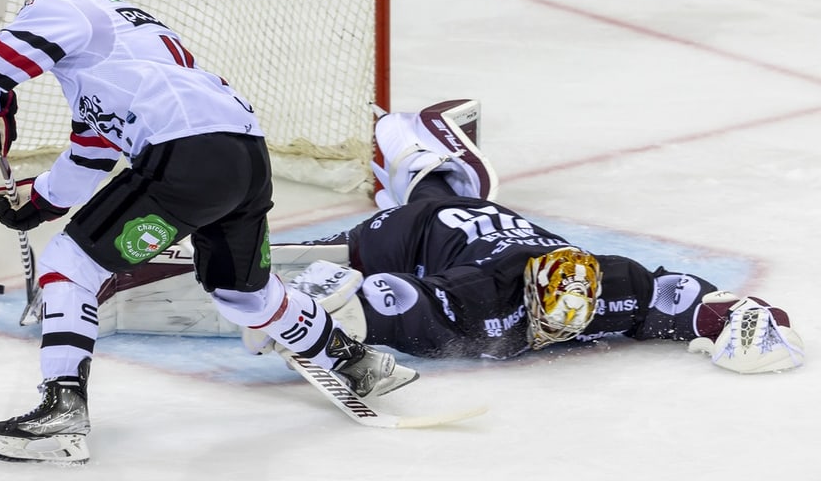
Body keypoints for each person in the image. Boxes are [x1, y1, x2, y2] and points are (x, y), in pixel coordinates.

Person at [0, 0, 415, 465]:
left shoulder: (70, 3)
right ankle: (354, 361)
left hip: (185, 156)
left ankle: (63, 409)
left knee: (70, 265)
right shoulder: (129, 39)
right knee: (243, 293)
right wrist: (39, 203)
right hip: (243, 157)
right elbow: (93, 151)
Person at [247, 99, 805, 376]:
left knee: (449, 197)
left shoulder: (612, 284)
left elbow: (699, 303)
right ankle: (411, 151)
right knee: (373, 237)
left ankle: (436, 164)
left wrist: (754, 322)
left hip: (482, 223)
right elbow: (409, 305)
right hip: (417, 235)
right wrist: (327, 314)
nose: (557, 331)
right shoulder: (481, 292)